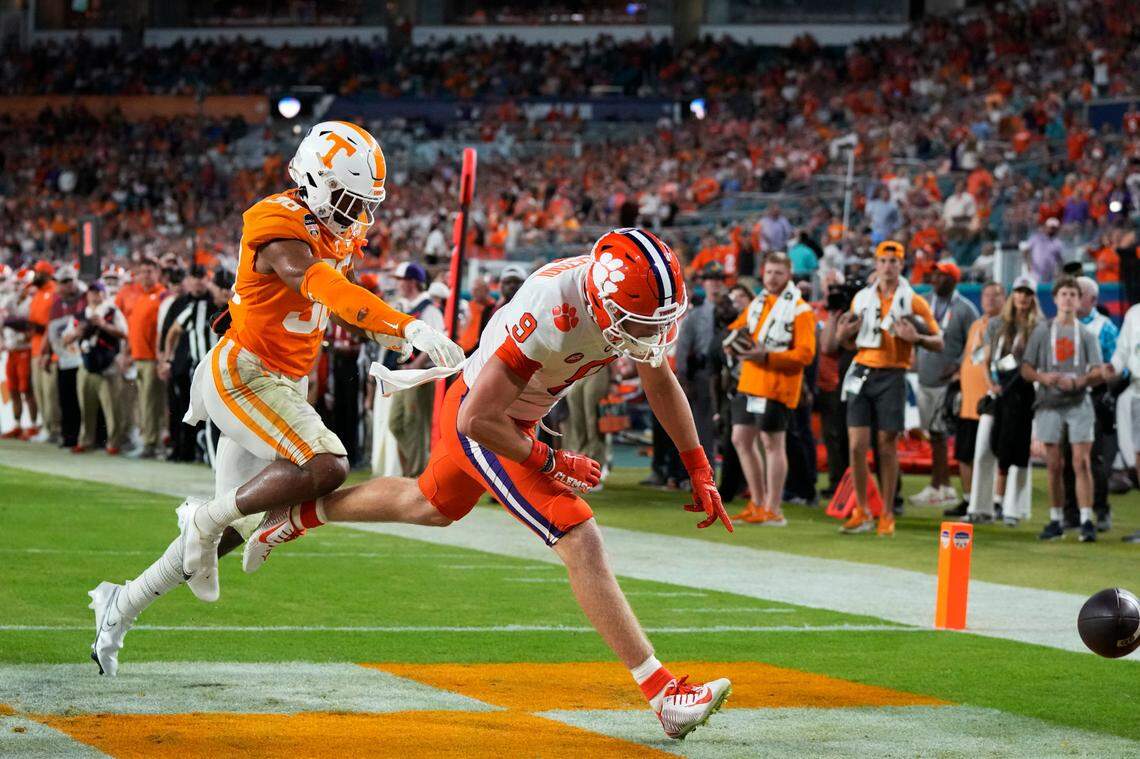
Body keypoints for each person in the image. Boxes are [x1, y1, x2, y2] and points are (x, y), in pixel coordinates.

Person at [92, 228, 734, 741]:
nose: (651, 336)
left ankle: (301, 515)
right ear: (597, 300)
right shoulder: (554, 310)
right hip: (486, 419)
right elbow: (478, 418)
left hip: (505, 412)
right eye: (641, 323)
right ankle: (663, 693)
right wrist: (548, 459)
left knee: (430, 503)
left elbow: (658, 377)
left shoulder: (620, 301)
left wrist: (698, 465)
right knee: (578, 535)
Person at [87, 121, 464, 659]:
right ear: (312, 180)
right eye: (348, 199)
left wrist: (406, 338)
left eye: (364, 203)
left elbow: (342, 305)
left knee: (233, 529)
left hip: (282, 380)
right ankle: (204, 516)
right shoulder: (277, 223)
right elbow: (324, 286)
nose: (357, 215)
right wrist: (407, 324)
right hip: (244, 374)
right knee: (327, 464)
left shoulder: (338, 227)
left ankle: (120, 604)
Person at [836, 240, 943, 536]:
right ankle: (862, 509)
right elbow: (847, 341)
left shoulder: (914, 301)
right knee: (857, 445)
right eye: (883, 261)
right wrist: (842, 336)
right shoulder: (861, 298)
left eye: (894, 262)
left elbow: (939, 340)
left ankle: (885, 512)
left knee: (886, 445)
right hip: (862, 370)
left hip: (893, 374)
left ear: (902, 265)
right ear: (876, 263)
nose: (888, 266)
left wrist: (917, 339)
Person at [725, 252, 816, 525]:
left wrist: (767, 357)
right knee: (740, 439)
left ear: (788, 275)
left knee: (772, 443)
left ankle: (773, 509)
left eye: (778, 272)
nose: (772, 277)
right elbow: (737, 329)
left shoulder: (801, 310)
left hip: (777, 384)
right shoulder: (757, 304)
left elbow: (806, 354)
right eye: (768, 272)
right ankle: (757, 502)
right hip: (749, 380)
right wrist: (731, 343)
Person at [1020, 276, 1106, 543]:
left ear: (1080, 301)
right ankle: (1056, 519)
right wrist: (1043, 378)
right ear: (1055, 299)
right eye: (1064, 294)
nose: (1068, 299)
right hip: (1049, 403)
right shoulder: (1042, 331)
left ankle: (1086, 520)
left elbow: (1098, 372)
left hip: (1079, 402)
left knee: (1081, 462)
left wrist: (1079, 381)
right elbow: (1026, 368)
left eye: (1073, 294)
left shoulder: (1088, 334)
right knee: (1054, 465)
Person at [968, 276, 1040, 526]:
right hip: (997, 393)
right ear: (1013, 295)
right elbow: (986, 359)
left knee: (1020, 452)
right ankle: (981, 506)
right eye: (1019, 292)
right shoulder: (998, 324)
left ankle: (1014, 508)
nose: (1022, 297)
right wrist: (990, 384)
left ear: (1033, 297)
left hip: (1022, 395)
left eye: (1027, 293)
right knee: (985, 448)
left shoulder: (1038, 327)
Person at [910, 261, 978, 509]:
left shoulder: (964, 308)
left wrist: (959, 365)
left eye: (942, 275)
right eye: (935, 275)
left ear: (954, 280)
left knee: (941, 435)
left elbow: (975, 342)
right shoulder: (923, 302)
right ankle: (942, 486)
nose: (935, 279)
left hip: (948, 383)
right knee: (933, 434)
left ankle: (941, 487)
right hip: (925, 376)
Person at [1062, 276, 1119, 532]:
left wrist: (1105, 379)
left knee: (1090, 457)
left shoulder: (1104, 327)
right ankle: (1071, 512)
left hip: (1093, 396)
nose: (1072, 298)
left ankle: (1101, 508)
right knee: (1065, 455)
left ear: (1092, 299)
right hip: (1064, 396)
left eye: (1078, 294)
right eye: (1070, 293)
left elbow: (1117, 364)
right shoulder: (1062, 325)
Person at [944, 282, 1004, 517]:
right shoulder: (977, 325)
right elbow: (971, 358)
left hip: (990, 402)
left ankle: (996, 501)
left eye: (996, 295)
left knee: (994, 454)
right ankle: (969, 499)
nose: (990, 300)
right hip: (969, 402)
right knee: (964, 453)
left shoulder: (1005, 327)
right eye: (987, 295)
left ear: (1004, 299)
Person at [388, 261, 446, 476]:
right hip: (402, 372)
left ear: (412, 282)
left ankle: (417, 474)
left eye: (401, 280)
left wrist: (415, 364)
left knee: (415, 423)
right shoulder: (403, 306)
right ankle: (411, 471)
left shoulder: (429, 308)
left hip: (419, 374)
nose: (399, 284)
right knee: (396, 423)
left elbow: (437, 341)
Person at [674, 263, 727, 465]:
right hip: (703, 374)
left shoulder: (733, 311)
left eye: (718, 280)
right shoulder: (695, 315)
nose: (715, 284)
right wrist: (684, 377)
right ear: (704, 284)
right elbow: (683, 348)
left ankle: (735, 481)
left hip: (728, 375)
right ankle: (707, 472)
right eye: (711, 280)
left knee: (731, 427)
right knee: (703, 427)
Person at [68, 281, 129, 454]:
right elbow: (66, 339)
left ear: (104, 294)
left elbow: (124, 333)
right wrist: (77, 332)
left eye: (98, 292)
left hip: (108, 366)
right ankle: (86, 440)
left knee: (112, 408)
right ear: (87, 295)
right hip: (85, 365)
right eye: (92, 292)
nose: (95, 295)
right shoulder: (80, 315)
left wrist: (103, 325)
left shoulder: (112, 312)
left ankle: (114, 442)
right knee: (86, 407)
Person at [121, 258, 168, 458]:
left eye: (150, 271)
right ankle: (149, 439)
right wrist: (127, 353)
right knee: (144, 402)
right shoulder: (139, 296)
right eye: (143, 271)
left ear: (157, 273)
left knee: (151, 402)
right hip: (138, 357)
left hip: (152, 358)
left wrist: (161, 357)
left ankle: (151, 443)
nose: (146, 275)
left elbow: (163, 329)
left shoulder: (163, 295)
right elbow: (133, 329)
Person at [1107, 302, 1140, 543]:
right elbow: (1123, 350)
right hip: (1137, 391)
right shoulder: (1134, 313)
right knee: (1138, 457)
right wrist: (1113, 366)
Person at [44, 267, 86, 449]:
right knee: (66, 399)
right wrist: (46, 352)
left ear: (71, 282)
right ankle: (69, 436)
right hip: (63, 358)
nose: (59, 286)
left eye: (63, 282)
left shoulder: (85, 298)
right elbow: (50, 330)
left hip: (84, 358)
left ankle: (85, 438)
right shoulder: (57, 302)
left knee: (83, 401)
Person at [27, 261, 59, 443]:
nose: (34, 276)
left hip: (49, 351)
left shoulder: (53, 291)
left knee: (50, 392)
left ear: (46, 273)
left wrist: (47, 350)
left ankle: (55, 429)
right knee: (39, 391)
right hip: (35, 349)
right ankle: (46, 427)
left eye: (37, 272)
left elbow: (53, 324)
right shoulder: (38, 293)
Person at [1024, 217, 1064, 284]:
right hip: (1035, 273)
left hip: (1049, 275)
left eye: (1054, 228)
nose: (1052, 230)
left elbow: (1060, 260)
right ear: (1046, 227)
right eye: (1051, 227)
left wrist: (1059, 272)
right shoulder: (1036, 238)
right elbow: (1026, 251)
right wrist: (1028, 264)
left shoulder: (1058, 243)